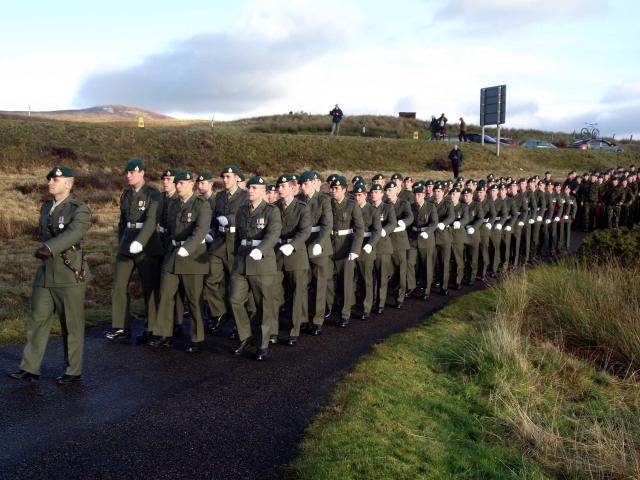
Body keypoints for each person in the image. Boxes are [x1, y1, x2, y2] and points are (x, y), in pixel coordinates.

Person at [9, 166, 91, 384]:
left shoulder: (79, 209)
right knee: (37, 320)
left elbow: (75, 232)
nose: (50, 183)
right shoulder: (46, 207)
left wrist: (49, 247)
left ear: (68, 184)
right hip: (45, 272)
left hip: (68, 271)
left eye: (55, 179)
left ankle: (73, 371)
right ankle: (30, 367)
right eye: (49, 179)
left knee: (71, 324)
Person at [149, 171, 212, 352]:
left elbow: (201, 230)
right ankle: (164, 334)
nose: (178, 187)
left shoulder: (202, 205)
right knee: (165, 294)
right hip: (173, 253)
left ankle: (196, 338)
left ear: (191, 184)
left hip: (192, 256)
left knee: (193, 299)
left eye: (182, 183)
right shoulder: (174, 204)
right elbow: (169, 229)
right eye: (176, 183)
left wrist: (188, 247)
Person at [106, 159, 163, 344]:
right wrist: (122, 240)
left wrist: (140, 241)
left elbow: (151, 220)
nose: (129, 176)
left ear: (142, 173)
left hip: (146, 244)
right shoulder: (126, 194)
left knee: (149, 287)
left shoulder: (153, 193)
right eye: (127, 172)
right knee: (119, 285)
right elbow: (123, 222)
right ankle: (121, 326)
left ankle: (152, 328)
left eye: (133, 172)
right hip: (127, 242)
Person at [229, 176, 282, 361]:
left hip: (262, 262)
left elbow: (273, 234)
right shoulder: (242, 210)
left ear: (263, 191)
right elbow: (238, 237)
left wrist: (261, 250)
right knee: (235, 299)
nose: (250, 190)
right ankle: (246, 335)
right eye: (249, 187)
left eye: (254, 188)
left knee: (263, 305)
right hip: (242, 260)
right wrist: (236, 255)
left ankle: (263, 344)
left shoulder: (271, 211)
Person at [203, 165, 247, 335]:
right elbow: (214, 217)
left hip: (235, 242)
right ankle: (219, 312)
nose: (226, 180)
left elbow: (245, 216)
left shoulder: (244, 195)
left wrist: (229, 219)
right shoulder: (219, 197)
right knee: (211, 280)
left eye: (229, 176)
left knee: (235, 286)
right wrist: (209, 231)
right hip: (219, 242)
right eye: (224, 177)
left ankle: (239, 322)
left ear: (237, 178)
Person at [274, 174, 311, 345]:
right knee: (274, 293)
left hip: (295, 254)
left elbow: (305, 231)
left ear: (292, 188)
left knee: (297, 293)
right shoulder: (273, 207)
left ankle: (294, 330)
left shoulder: (302, 208)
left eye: (283, 186)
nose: (279, 190)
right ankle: (272, 330)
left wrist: (293, 245)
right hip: (277, 253)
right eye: (278, 187)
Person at [297, 171, 333, 335]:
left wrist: (319, 243)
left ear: (313, 183)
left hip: (319, 245)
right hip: (302, 246)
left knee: (319, 284)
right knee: (302, 284)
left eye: (306, 184)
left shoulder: (323, 200)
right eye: (301, 184)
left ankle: (317, 320)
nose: (303, 187)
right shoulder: (298, 200)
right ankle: (303, 318)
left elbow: (327, 225)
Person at [327, 176, 364, 327]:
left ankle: (345, 314)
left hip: (345, 247)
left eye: (336, 188)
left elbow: (359, 228)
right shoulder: (327, 203)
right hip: (329, 246)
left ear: (344, 190)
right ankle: (328, 308)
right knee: (327, 281)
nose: (333, 191)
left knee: (346, 283)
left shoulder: (351, 205)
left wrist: (355, 249)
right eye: (331, 188)